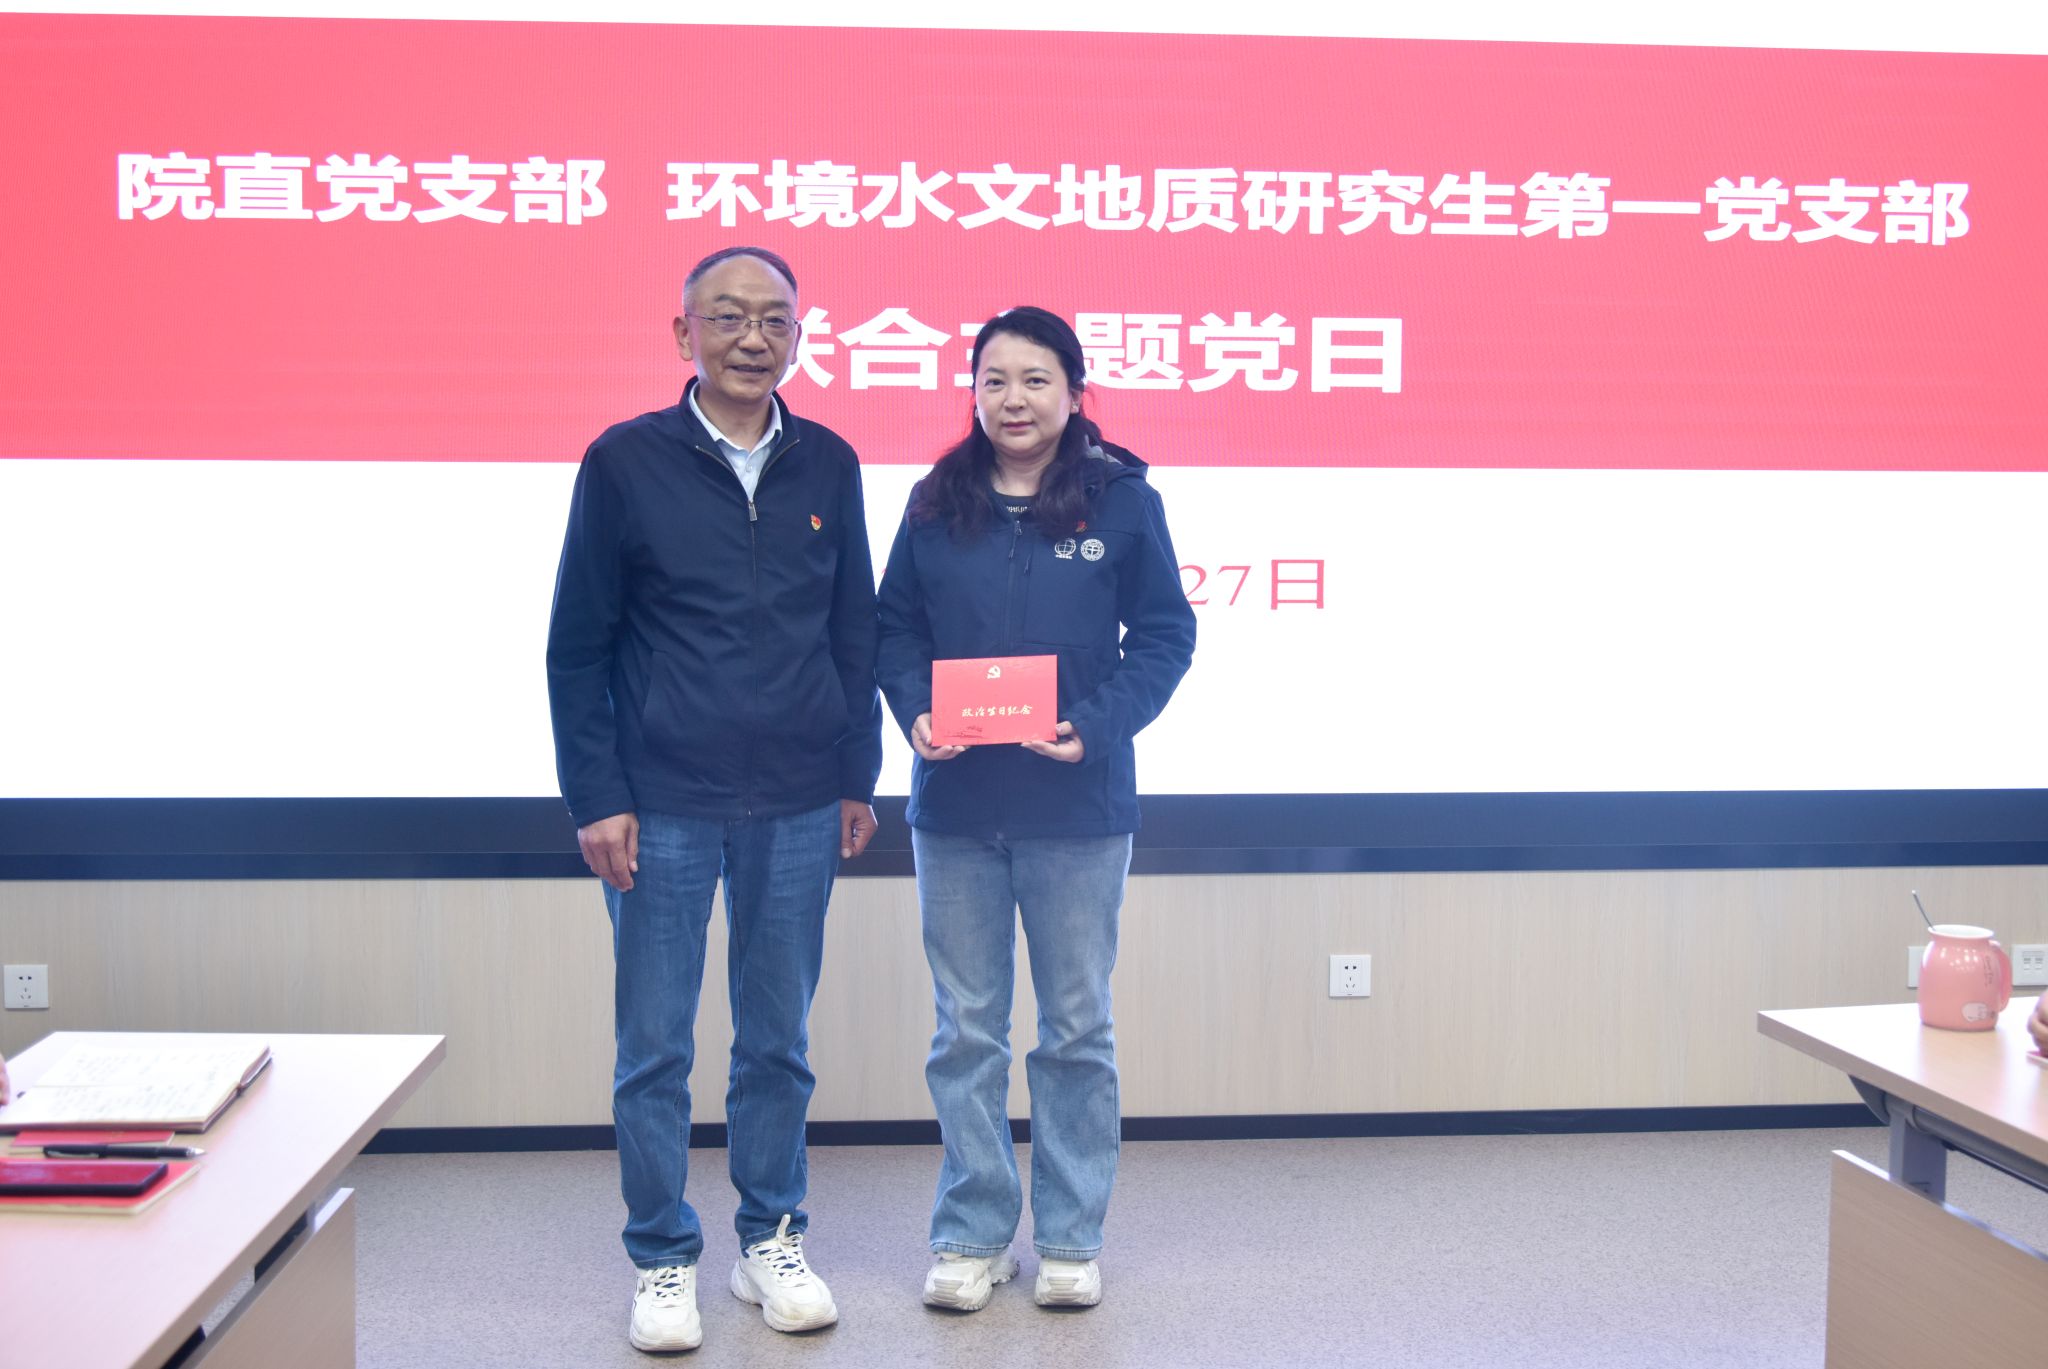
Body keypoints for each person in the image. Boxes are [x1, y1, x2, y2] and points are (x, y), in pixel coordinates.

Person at [546, 245, 882, 1354]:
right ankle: (661, 1253)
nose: (752, 337)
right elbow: (577, 646)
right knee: (653, 1047)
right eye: (728, 316)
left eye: (774, 319)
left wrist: (856, 772)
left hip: (799, 797)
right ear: (682, 331)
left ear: (798, 336)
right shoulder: (625, 460)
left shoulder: (829, 462)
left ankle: (769, 1236)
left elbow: (853, 627)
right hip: (664, 800)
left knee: (776, 1040)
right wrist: (597, 793)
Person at [876, 306, 1196, 1312]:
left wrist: (1093, 728)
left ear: (1073, 390)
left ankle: (1068, 1235)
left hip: (1078, 808)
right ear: (972, 391)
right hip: (957, 810)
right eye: (993, 380)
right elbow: (892, 629)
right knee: (965, 1031)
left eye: (1033, 380)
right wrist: (915, 711)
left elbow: (1165, 636)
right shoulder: (935, 502)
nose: (1011, 400)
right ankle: (971, 1235)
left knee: (1074, 1030)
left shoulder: (1121, 500)